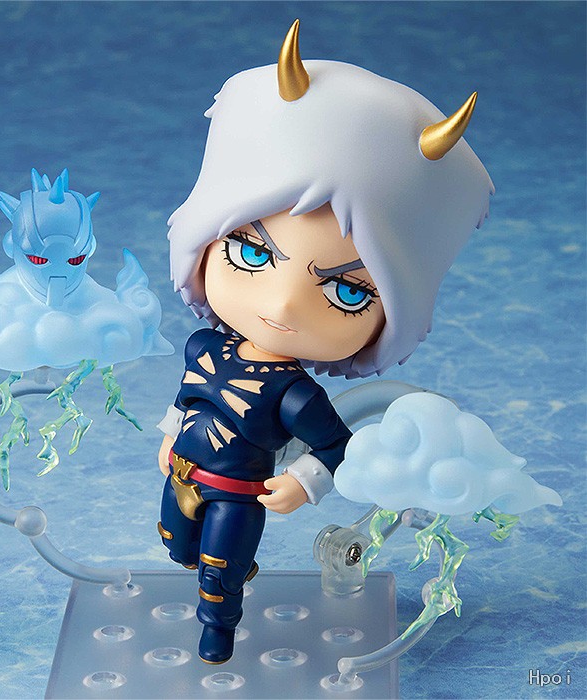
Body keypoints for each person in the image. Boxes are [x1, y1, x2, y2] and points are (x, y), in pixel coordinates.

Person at [156, 20, 493, 664]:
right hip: (182, 473)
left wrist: (303, 483)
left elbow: (337, 447)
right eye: (253, 252)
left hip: (238, 494)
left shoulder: (294, 395)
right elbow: (185, 401)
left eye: (346, 291)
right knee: (176, 545)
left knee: (219, 572)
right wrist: (169, 436)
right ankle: (211, 568)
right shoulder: (204, 348)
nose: (284, 304)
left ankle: (216, 628)